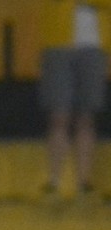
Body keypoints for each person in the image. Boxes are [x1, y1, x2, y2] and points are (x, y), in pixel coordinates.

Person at [38, 0, 111, 200]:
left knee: (87, 118)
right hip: (58, 43)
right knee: (59, 116)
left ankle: (84, 184)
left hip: (95, 46)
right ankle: (53, 183)